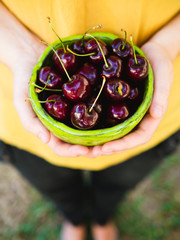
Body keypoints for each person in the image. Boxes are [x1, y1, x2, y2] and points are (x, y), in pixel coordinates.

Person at [0, 1, 179, 239]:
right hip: (18, 105)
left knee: (119, 181)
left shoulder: (109, 77)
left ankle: (102, 216)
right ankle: (73, 217)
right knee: (52, 182)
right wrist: (17, 47)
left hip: (157, 104)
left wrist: (168, 44)